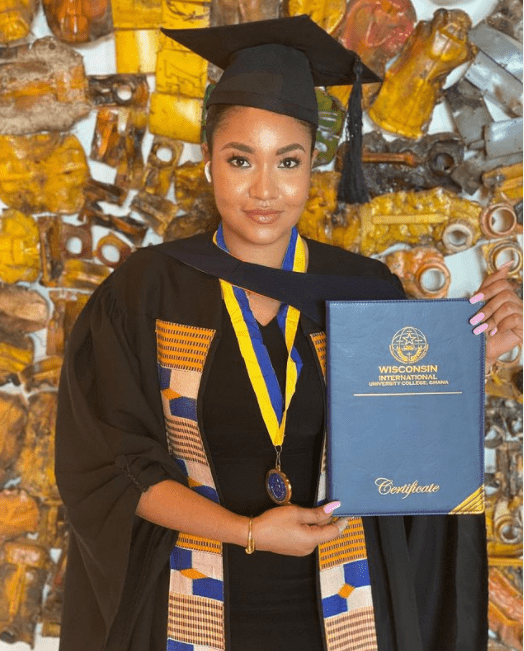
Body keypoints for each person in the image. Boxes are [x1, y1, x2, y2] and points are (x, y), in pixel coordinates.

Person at [55, 15, 523, 651]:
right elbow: (111, 467)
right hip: (193, 604)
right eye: (240, 159)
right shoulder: (146, 292)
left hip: (345, 609)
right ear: (208, 162)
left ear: (313, 167)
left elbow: (402, 455)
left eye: (288, 161)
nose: (265, 190)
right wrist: (249, 532)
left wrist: (468, 362)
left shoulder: (363, 289)